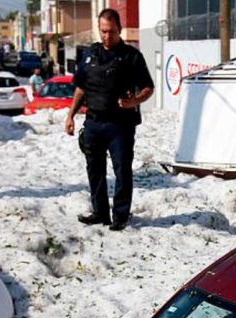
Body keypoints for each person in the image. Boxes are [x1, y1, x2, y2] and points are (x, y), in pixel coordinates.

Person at [65, 9, 154, 232]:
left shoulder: (132, 56)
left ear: (120, 30)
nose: (107, 36)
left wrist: (134, 101)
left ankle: (120, 215)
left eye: (111, 32)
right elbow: (80, 89)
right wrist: (70, 116)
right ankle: (100, 212)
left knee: (122, 170)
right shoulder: (89, 55)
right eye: (103, 31)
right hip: (93, 122)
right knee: (94, 170)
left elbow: (148, 87)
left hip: (120, 126)